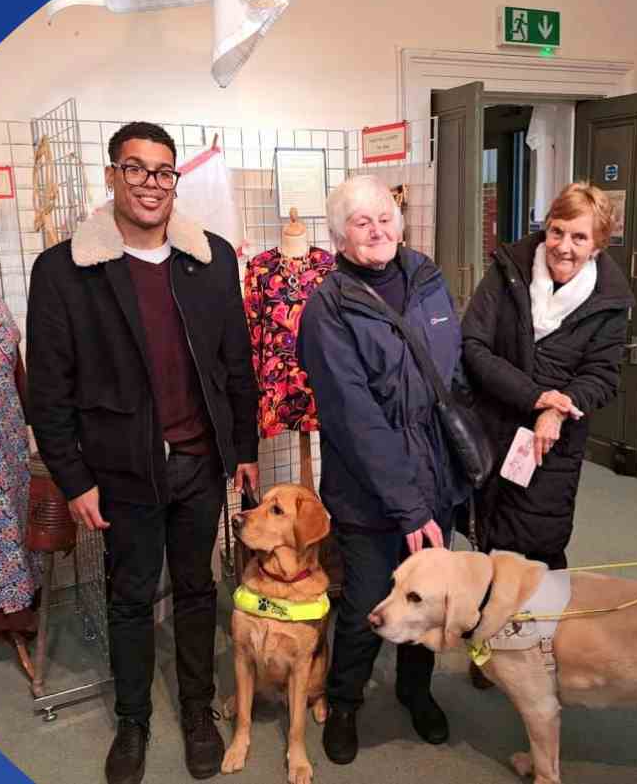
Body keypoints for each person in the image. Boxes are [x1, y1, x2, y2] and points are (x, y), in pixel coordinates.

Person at [27, 121, 259, 784]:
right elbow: (48, 390)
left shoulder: (210, 257)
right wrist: (73, 479)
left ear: (174, 180)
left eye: (162, 171)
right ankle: (133, 719)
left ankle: (196, 711)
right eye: (135, 168)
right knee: (129, 597)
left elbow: (235, 362)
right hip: (119, 468)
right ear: (111, 176)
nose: (150, 183)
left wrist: (242, 444)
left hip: (197, 460)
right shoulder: (66, 269)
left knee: (196, 588)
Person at [296, 175, 471, 765]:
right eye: (360, 223)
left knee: (427, 597)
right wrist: (407, 507)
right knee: (370, 600)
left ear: (400, 219)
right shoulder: (328, 308)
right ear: (340, 239)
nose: (377, 230)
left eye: (385, 217)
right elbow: (355, 419)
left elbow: (454, 373)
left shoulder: (427, 278)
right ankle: (345, 703)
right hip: (368, 491)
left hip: (436, 479)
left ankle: (415, 691)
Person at [460, 180, 632, 685]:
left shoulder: (611, 298)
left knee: (542, 541)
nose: (564, 246)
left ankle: (544, 644)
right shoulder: (508, 270)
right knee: (490, 539)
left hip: (555, 439)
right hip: (493, 426)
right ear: (545, 227)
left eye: (579, 238)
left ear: (598, 244)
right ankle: (487, 644)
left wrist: (558, 411)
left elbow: (602, 375)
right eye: (557, 231)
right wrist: (537, 398)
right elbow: (474, 347)